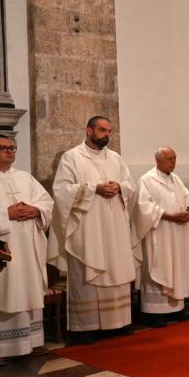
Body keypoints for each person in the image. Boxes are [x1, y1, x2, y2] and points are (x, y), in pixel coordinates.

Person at [49, 116, 137, 344]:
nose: (106, 134)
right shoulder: (72, 157)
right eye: (102, 130)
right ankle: (84, 328)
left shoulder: (116, 158)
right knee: (86, 269)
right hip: (87, 226)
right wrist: (93, 189)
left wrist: (119, 187)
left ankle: (118, 323)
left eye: (109, 130)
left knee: (114, 267)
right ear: (88, 130)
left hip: (113, 226)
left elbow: (130, 185)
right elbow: (61, 190)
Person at [0, 136, 53, 365]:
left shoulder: (25, 177)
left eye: (12, 148)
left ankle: (31, 341)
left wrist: (36, 210)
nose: (10, 152)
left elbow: (47, 202)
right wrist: (5, 214)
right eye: (3, 148)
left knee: (27, 287)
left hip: (27, 246)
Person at [132, 147, 189, 327]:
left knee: (178, 266)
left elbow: (188, 199)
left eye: (175, 158)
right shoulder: (147, 180)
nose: (173, 162)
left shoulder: (176, 179)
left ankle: (178, 308)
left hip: (178, 232)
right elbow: (143, 207)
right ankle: (155, 312)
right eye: (169, 159)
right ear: (158, 160)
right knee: (160, 266)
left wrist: (188, 210)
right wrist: (169, 216)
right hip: (159, 232)